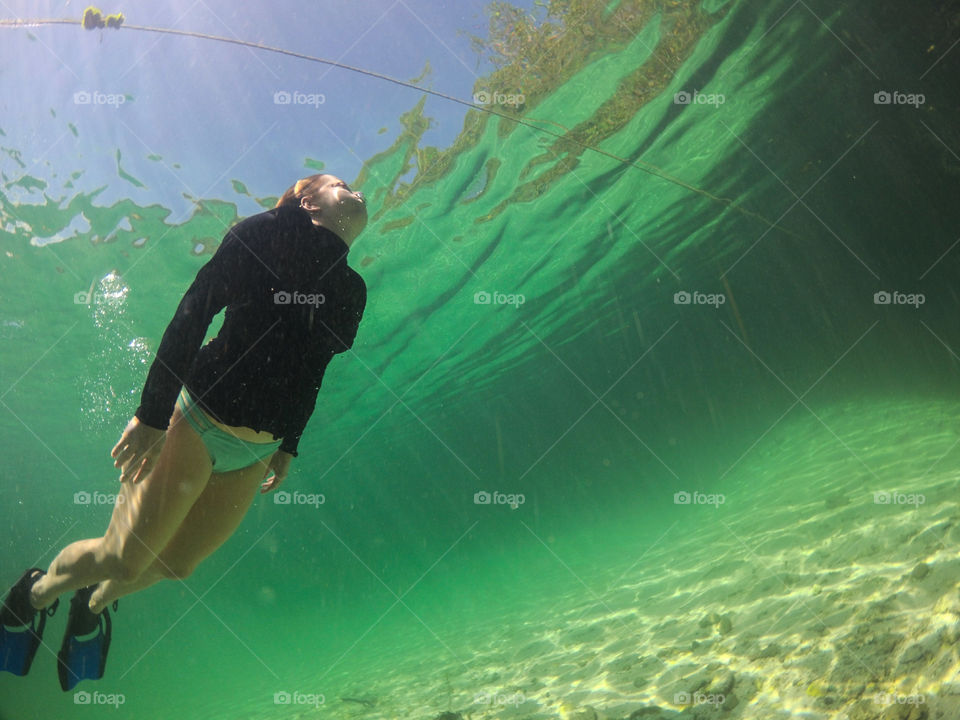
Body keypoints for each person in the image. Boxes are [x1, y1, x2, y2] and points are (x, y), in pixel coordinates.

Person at [0, 174, 368, 691]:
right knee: (123, 558)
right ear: (308, 200)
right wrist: (151, 414)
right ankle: (33, 594)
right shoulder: (261, 234)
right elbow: (194, 311)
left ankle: (93, 603)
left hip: (258, 448)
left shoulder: (351, 289)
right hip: (198, 418)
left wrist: (289, 444)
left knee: (176, 566)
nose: (356, 188)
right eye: (340, 181)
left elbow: (314, 368)